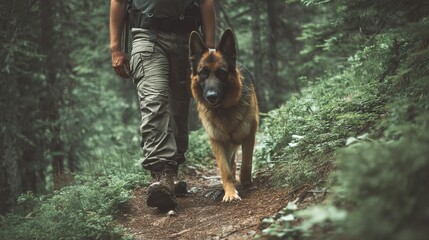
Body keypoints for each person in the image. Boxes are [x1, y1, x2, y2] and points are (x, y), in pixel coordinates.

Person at [109, 0, 215, 210]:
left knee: (179, 107)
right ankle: (161, 174)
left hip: (186, 39)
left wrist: (210, 48)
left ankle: (172, 171)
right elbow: (119, 2)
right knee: (154, 100)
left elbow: (205, 2)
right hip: (147, 37)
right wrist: (115, 48)